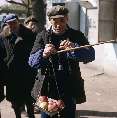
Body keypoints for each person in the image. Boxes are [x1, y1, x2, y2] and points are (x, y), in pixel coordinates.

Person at [28, 5, 95, 118]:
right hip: (47, 88)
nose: (58, 25)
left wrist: (74, 49)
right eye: (55, 21)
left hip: (69, 87)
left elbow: (91, 55)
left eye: (62, 20)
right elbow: (32, 62)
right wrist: (43, 54)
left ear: (67, 19)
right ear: (50, 21)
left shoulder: (76, 35)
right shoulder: (42, 35)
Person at [3, 14, 36, 118]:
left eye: (14, 22)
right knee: (15, 102)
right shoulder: (3, 36)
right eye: (10, 23)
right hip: (12, 74)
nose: (12, 25)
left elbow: (35, 50)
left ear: (18, 21)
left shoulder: (30, 34)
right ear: (6, 24)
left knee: (29, 100)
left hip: (27, 72)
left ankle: (31, 116)